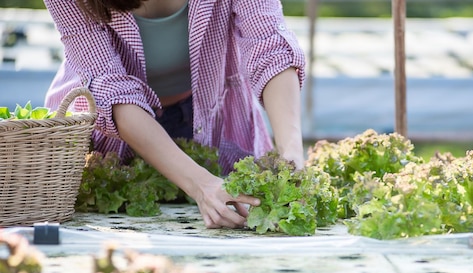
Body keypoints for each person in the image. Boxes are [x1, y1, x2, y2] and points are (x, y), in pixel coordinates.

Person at [43, 0, 306, 229]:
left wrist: (291, 153)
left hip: (212, 119)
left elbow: (269, 45)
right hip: (116, 134)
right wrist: (202, 185)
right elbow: (111, 91)